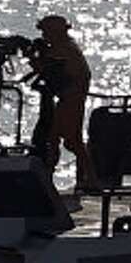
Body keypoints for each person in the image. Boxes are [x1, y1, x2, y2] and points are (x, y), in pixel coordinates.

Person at [32, 14, 100, 191]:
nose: (44, 36)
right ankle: (50, 178)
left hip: (71, 100)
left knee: (71, 142)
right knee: (54, 139)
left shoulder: (65, 49)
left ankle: (90, 179)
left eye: (46, 32)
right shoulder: (64, 47)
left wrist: (33, 57)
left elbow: (44, 68)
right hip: (67, 98)